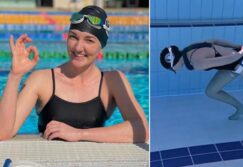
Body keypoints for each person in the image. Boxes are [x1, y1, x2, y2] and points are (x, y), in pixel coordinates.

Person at [0, 6, 149, 143]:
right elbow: (3, 133)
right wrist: (15, 75)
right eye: (73, 37)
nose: (78, 47)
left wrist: (79, 134)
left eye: (89, 40)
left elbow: (142, 131)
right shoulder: (42, 80)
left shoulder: (112, 81)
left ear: (101, 46)